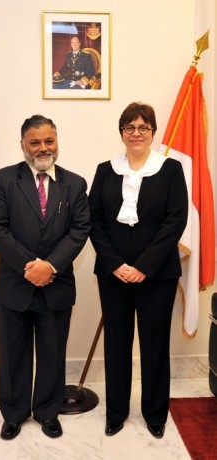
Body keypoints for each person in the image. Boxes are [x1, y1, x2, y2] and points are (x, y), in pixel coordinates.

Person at [0, 114, 91, 440]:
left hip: (56, 286)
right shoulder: (4, 180)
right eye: (35, 142)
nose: (43, 148)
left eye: (49, 141)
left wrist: (51, 266)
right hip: (15, 286)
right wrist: (31, 266)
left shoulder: (75, 183)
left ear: (57, 141)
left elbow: (80, 229)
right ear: (23, 145)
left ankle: (47, 411)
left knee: (52, 354)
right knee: (13, 353)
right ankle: (14, 414)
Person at [89, 102, 188, 439]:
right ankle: (116, 413)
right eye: (129, 127)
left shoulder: (171, 169)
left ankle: (156, 413)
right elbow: (95, 221)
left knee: (155, 342)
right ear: (121, 133)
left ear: (153, 132)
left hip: (158, 275)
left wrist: (143, 266)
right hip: (112, 273)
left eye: (143, 127)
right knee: (117, 342)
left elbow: (176, 222)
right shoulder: (105, 170)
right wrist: (116, 264)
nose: (136, 133)